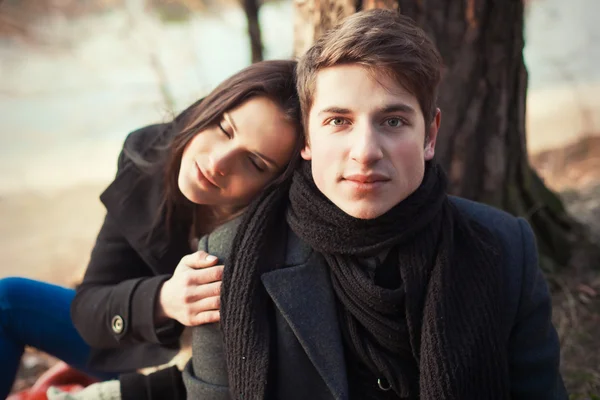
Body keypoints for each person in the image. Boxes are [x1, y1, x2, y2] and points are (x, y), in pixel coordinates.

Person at [181, 9, 568, 400]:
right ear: (307, 140)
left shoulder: (505, 247)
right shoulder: (228, 260)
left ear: (429, 135)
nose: (365, 153)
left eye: (393, 121)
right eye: (338, 121)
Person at [0, 59, 303, 399]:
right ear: (211, 107)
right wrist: (163, 300)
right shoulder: (150, 155)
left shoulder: (286, 229)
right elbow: (89, 305)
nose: (217, 162)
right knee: (7, 300)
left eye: (254, 162)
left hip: (198, 378)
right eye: (223, 128)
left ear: (275, 184)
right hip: (136, 341)